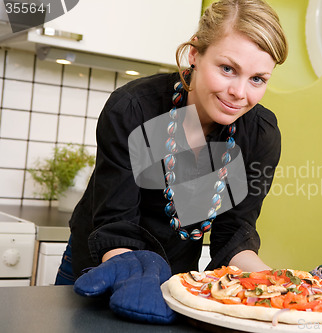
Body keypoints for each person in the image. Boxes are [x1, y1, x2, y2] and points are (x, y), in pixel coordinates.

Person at [55, 0, 288, 324]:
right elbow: (115, 224)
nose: (239, 92)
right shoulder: (133, 110)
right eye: (227, 69)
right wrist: (133, 274)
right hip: (103, 265)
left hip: (177, 277)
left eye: (257, 79)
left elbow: (234, 233)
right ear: (195, 54)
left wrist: (280, 285)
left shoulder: (259, 135)